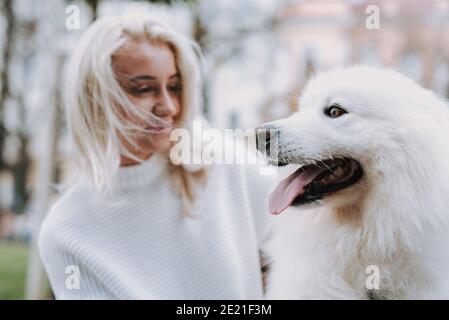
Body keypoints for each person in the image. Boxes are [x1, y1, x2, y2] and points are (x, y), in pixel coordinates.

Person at [38, 15, 273, 299]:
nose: (169, 106)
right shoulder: (66, 230)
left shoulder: (221, 158)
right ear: (96, 97)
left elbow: (305, 244)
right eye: (145, 88)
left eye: (174, 86)